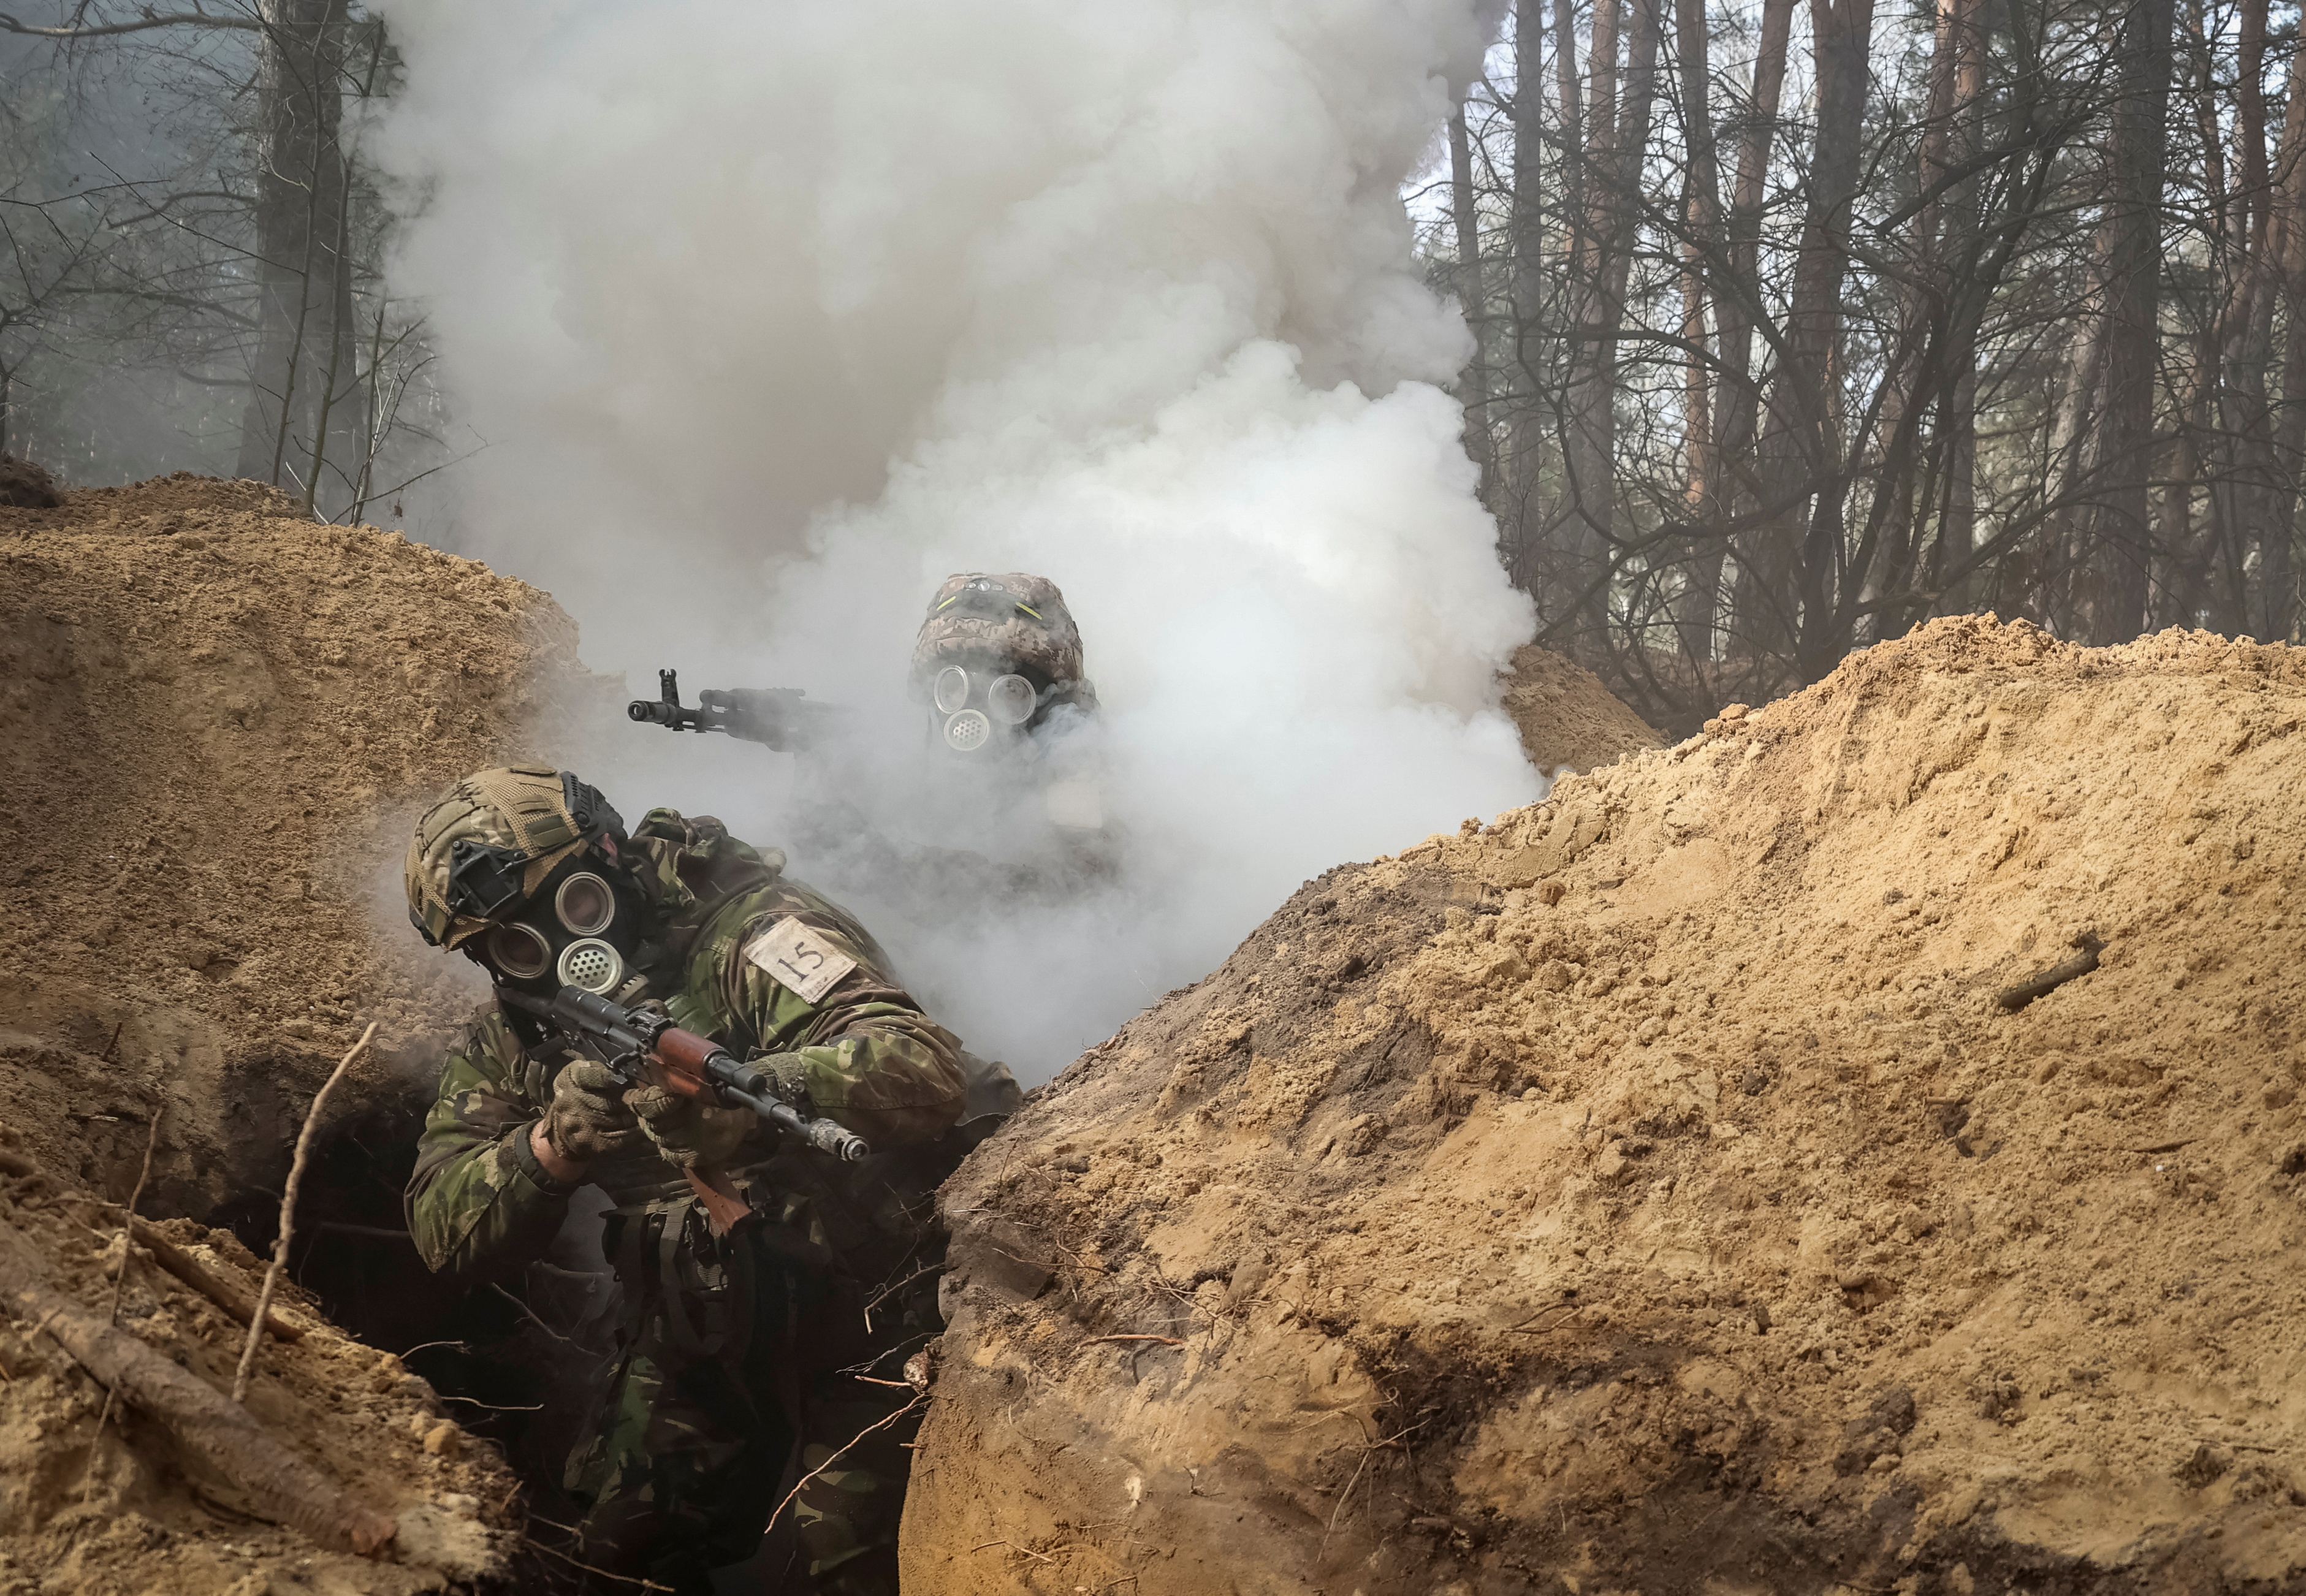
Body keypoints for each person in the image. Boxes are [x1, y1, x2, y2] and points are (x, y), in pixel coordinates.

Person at [400, 765, 1009, 1594]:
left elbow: (920, 1065)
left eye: (577, 905)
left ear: (610, 856)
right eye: (518, 943)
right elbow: (442, 1230)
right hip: (702, 1329)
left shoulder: (753, 933)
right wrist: (554, 1143)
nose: (570, 950)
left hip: (872, 1306)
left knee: (856, 1564)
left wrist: (769, 1093)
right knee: (619, 1558)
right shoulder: (517, 1037)